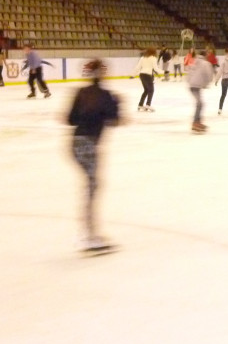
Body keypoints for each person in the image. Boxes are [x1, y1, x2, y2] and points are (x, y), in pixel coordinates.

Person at [67, 59, 120, 254]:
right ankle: (87, 236)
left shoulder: (80, 93)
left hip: (75, 144)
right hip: (88, 145)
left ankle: (88, 233)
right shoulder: (107, 96)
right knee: (92, 187)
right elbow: (115, 121)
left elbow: (70, 119)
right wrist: (116, 105)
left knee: (92, 185)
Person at [187, 48, 215, 133]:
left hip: (192, 85)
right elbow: (209, 75)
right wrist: (206, 84)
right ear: (205, 55)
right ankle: (196, 122)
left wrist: (190, 81)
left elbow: (189, 73)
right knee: (200, 104)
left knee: (200, 103)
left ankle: (198, 122)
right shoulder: (206, 64)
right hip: (196, 85)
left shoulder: (194, 61)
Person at [131, 47, 161, 112]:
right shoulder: (153, 58)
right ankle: (148, 104)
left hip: (142, 75)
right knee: (151, 90)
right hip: (148, 75)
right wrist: (164, 72)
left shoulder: (143, 58)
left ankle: (140, 104)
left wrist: (133, 75)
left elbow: (138, 67)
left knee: (146, 90)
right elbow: (156, 68)